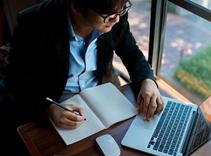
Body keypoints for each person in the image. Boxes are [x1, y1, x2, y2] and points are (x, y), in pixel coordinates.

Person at [4, 0, 164, 129]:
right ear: (77, 6)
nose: (116, 19)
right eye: (108, 15)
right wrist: (48, 107)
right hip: (58, 102)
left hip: (105, 96)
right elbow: (15, 80)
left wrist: (147, 80)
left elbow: (132, 52)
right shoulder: (33, 22)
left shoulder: (115, 14)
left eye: (121, 10)